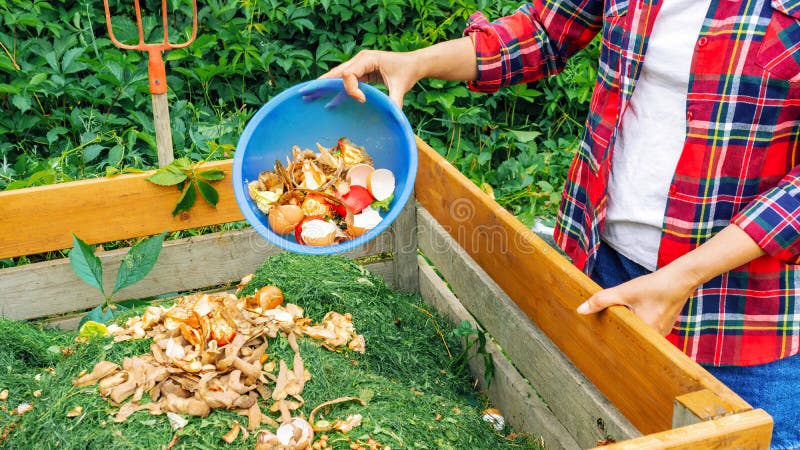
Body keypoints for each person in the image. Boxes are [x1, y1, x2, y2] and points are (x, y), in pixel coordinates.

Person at [314, 1, 800, 447]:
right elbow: (545, 32)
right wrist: (415, 61)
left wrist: (682, 277)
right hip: (600, 264)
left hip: (739, 313)